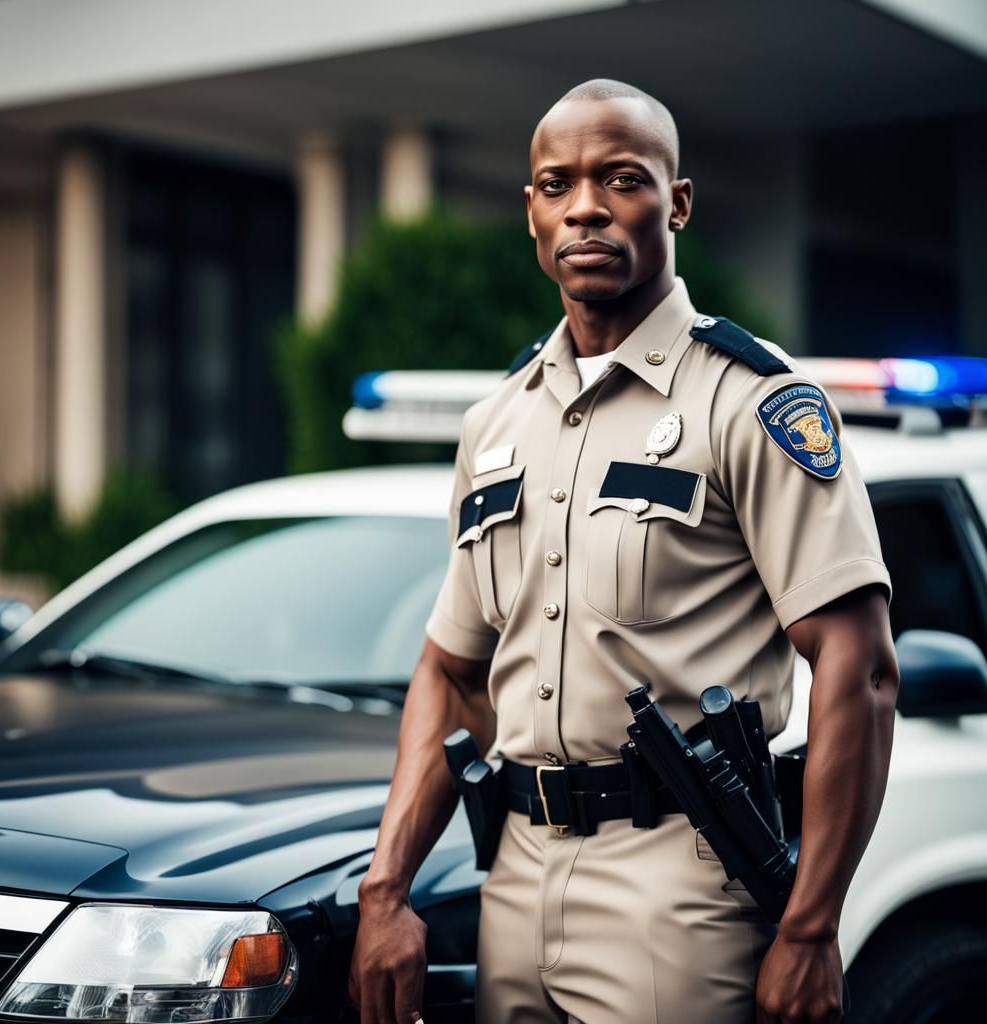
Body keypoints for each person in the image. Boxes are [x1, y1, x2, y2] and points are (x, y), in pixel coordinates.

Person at [348, 78, 898, 1024]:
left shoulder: (753, 401)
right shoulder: (496, 421)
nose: (587, 206)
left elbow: (859, 667)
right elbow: (447, 667)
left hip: (680, 880)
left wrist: (810, 931)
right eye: (557, 184)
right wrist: (385, 890)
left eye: (623, 178)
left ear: (677, 202)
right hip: (515, 870)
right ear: (531, 212)